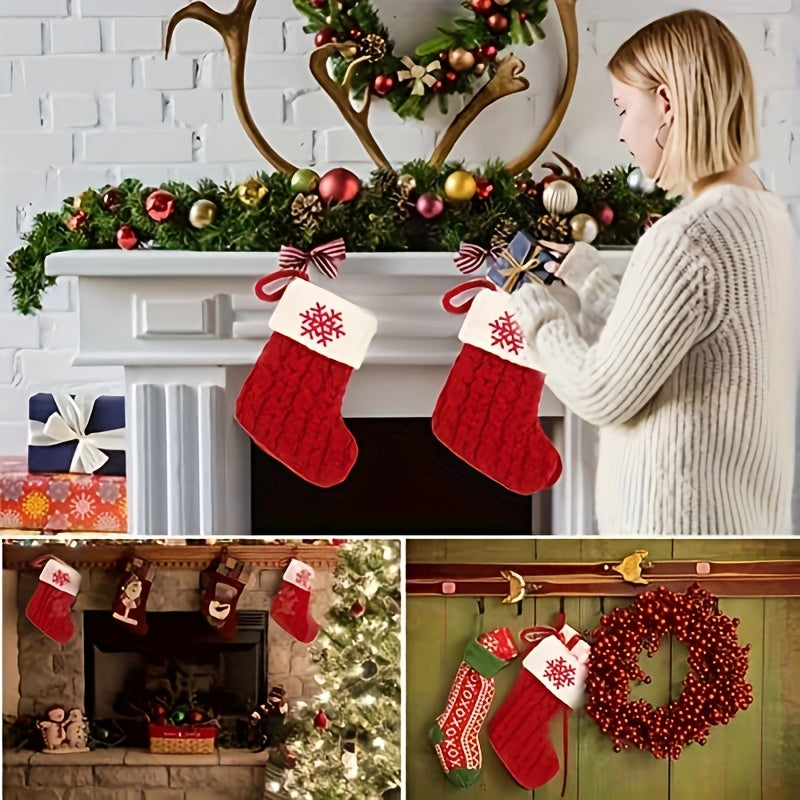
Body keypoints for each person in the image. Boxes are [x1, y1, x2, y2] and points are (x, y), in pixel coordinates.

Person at [511, 9, 796, 535]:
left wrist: (533, 311)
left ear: (666, 102)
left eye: (623, 108)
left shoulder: (688, 236)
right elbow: (676, 341)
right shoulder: (764, 214)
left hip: (672, 539)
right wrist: (590, 279)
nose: (621, 132)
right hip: (740, 530)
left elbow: (601, 391)